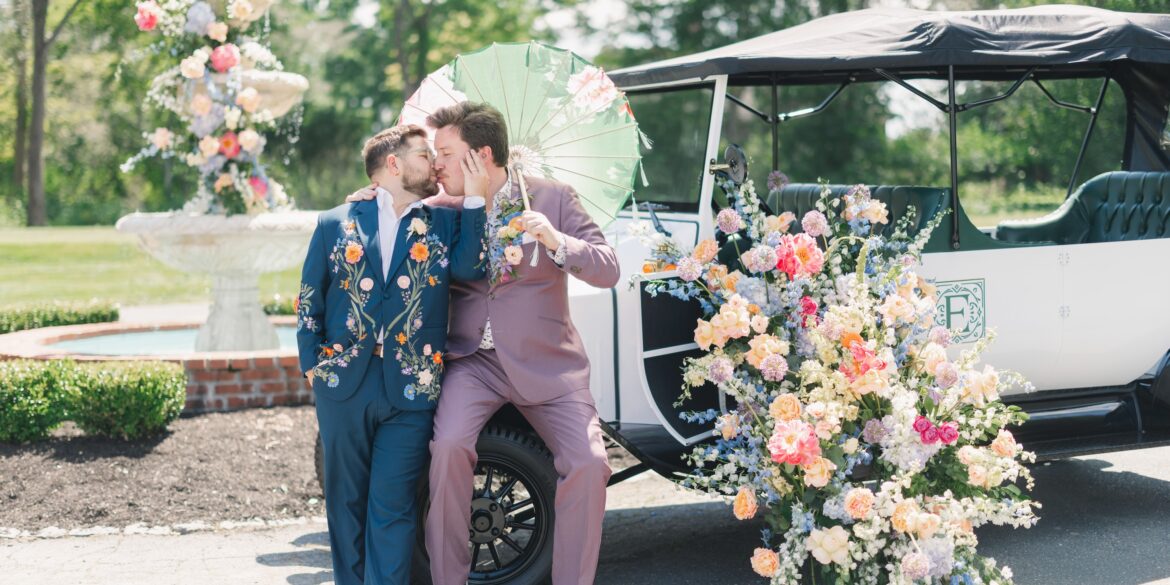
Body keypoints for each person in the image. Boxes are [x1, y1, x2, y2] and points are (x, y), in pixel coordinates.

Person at [347, 102, 621, 585]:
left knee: (590, 463)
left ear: (482, 155)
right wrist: (376, 195)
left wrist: (558, 242)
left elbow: (607, 267)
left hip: (550, 365)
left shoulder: (553, 198)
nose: (436, 165)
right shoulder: (442, 208)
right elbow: (387, 212)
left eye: (446, 154)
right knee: (449, 445)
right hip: (473, 363)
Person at [296, 124, 486, 585]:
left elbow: (468, 266)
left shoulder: (445, 220)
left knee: (394, 505)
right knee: (345, 503)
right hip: (344, 384)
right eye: (424, 154)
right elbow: (308, 299)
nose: (435, 164)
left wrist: (477, 199)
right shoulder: (334, 222)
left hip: (412, 386)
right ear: (394, 164)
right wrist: (313, 366)